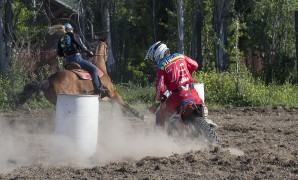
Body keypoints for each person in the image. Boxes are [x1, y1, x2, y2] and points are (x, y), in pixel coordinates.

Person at [145, 41, 217, 128]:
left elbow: (160, 88)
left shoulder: (162, 65)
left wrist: (157, 101)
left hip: (177, 96)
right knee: (201, 105)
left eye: (154, 57)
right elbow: (195, 65)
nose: (154, 59)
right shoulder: (180, 56)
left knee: (160, 114)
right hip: (192, 92)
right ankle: (205, 119)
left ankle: (159, 136)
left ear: (158, 54)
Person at [57, 23, 106, 95]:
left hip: (67, 61)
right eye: (72, 29)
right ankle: (97, 87)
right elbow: (81, 45)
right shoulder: (73, 35)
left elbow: (60, 53)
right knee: (94, 69)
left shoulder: (60, 39)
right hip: (77, 59)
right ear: (70, 29)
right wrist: (88, 52)